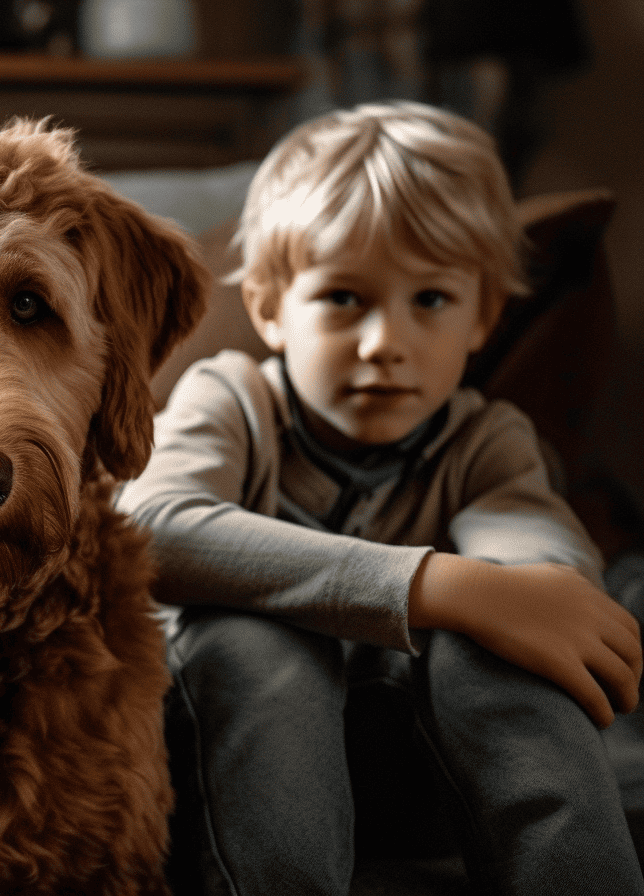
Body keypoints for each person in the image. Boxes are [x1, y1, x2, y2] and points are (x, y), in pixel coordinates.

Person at [117, 100, 644, 895]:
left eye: (429, 300)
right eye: (343, 299)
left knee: (500, 646)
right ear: (269, 309)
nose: (383, 342)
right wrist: (440, 585)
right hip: (241, 757)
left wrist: (515, 594)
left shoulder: (485, 439)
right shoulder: (231, 400)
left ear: (483, 317)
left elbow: (543, 572)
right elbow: (152, 529)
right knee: (256, 640)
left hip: (421, 770)